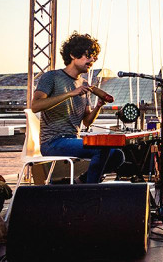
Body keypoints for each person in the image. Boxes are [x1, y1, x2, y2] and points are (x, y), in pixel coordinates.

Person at [32, 32, 124, 184]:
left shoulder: (84, 85)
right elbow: (35, 106)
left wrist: (98, 106)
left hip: (73, 139)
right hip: (53, 142)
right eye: (88, 55)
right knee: (101, 149)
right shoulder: (52, 77)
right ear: (73, 55)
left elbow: (87, 122)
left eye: (94, 57)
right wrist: (70, 94)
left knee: (117, 155)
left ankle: (82, 182)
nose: (92, 60)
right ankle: (90, 190)